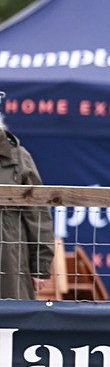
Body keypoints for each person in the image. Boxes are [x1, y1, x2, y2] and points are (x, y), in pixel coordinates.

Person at [0, 109, 54, 300]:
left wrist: (40, 266)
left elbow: (37, 213)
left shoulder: (18, 158)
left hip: (7, 260)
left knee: (8, 320)